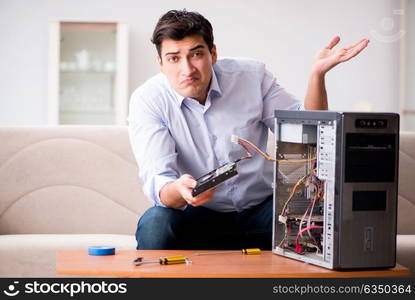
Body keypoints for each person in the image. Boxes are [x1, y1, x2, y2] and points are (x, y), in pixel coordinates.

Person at [127, 9, 369, 250]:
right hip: (198, 216)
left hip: (264, 214)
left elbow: (309, 134)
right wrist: (181, 190)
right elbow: (159, 181)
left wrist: (317, 75)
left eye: (196, 54)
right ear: (160, 63)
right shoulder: (148, 100)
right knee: (155, 223)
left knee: (321, 214)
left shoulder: (252, 77)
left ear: (213, 53)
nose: (187, 69)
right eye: (173, 58)